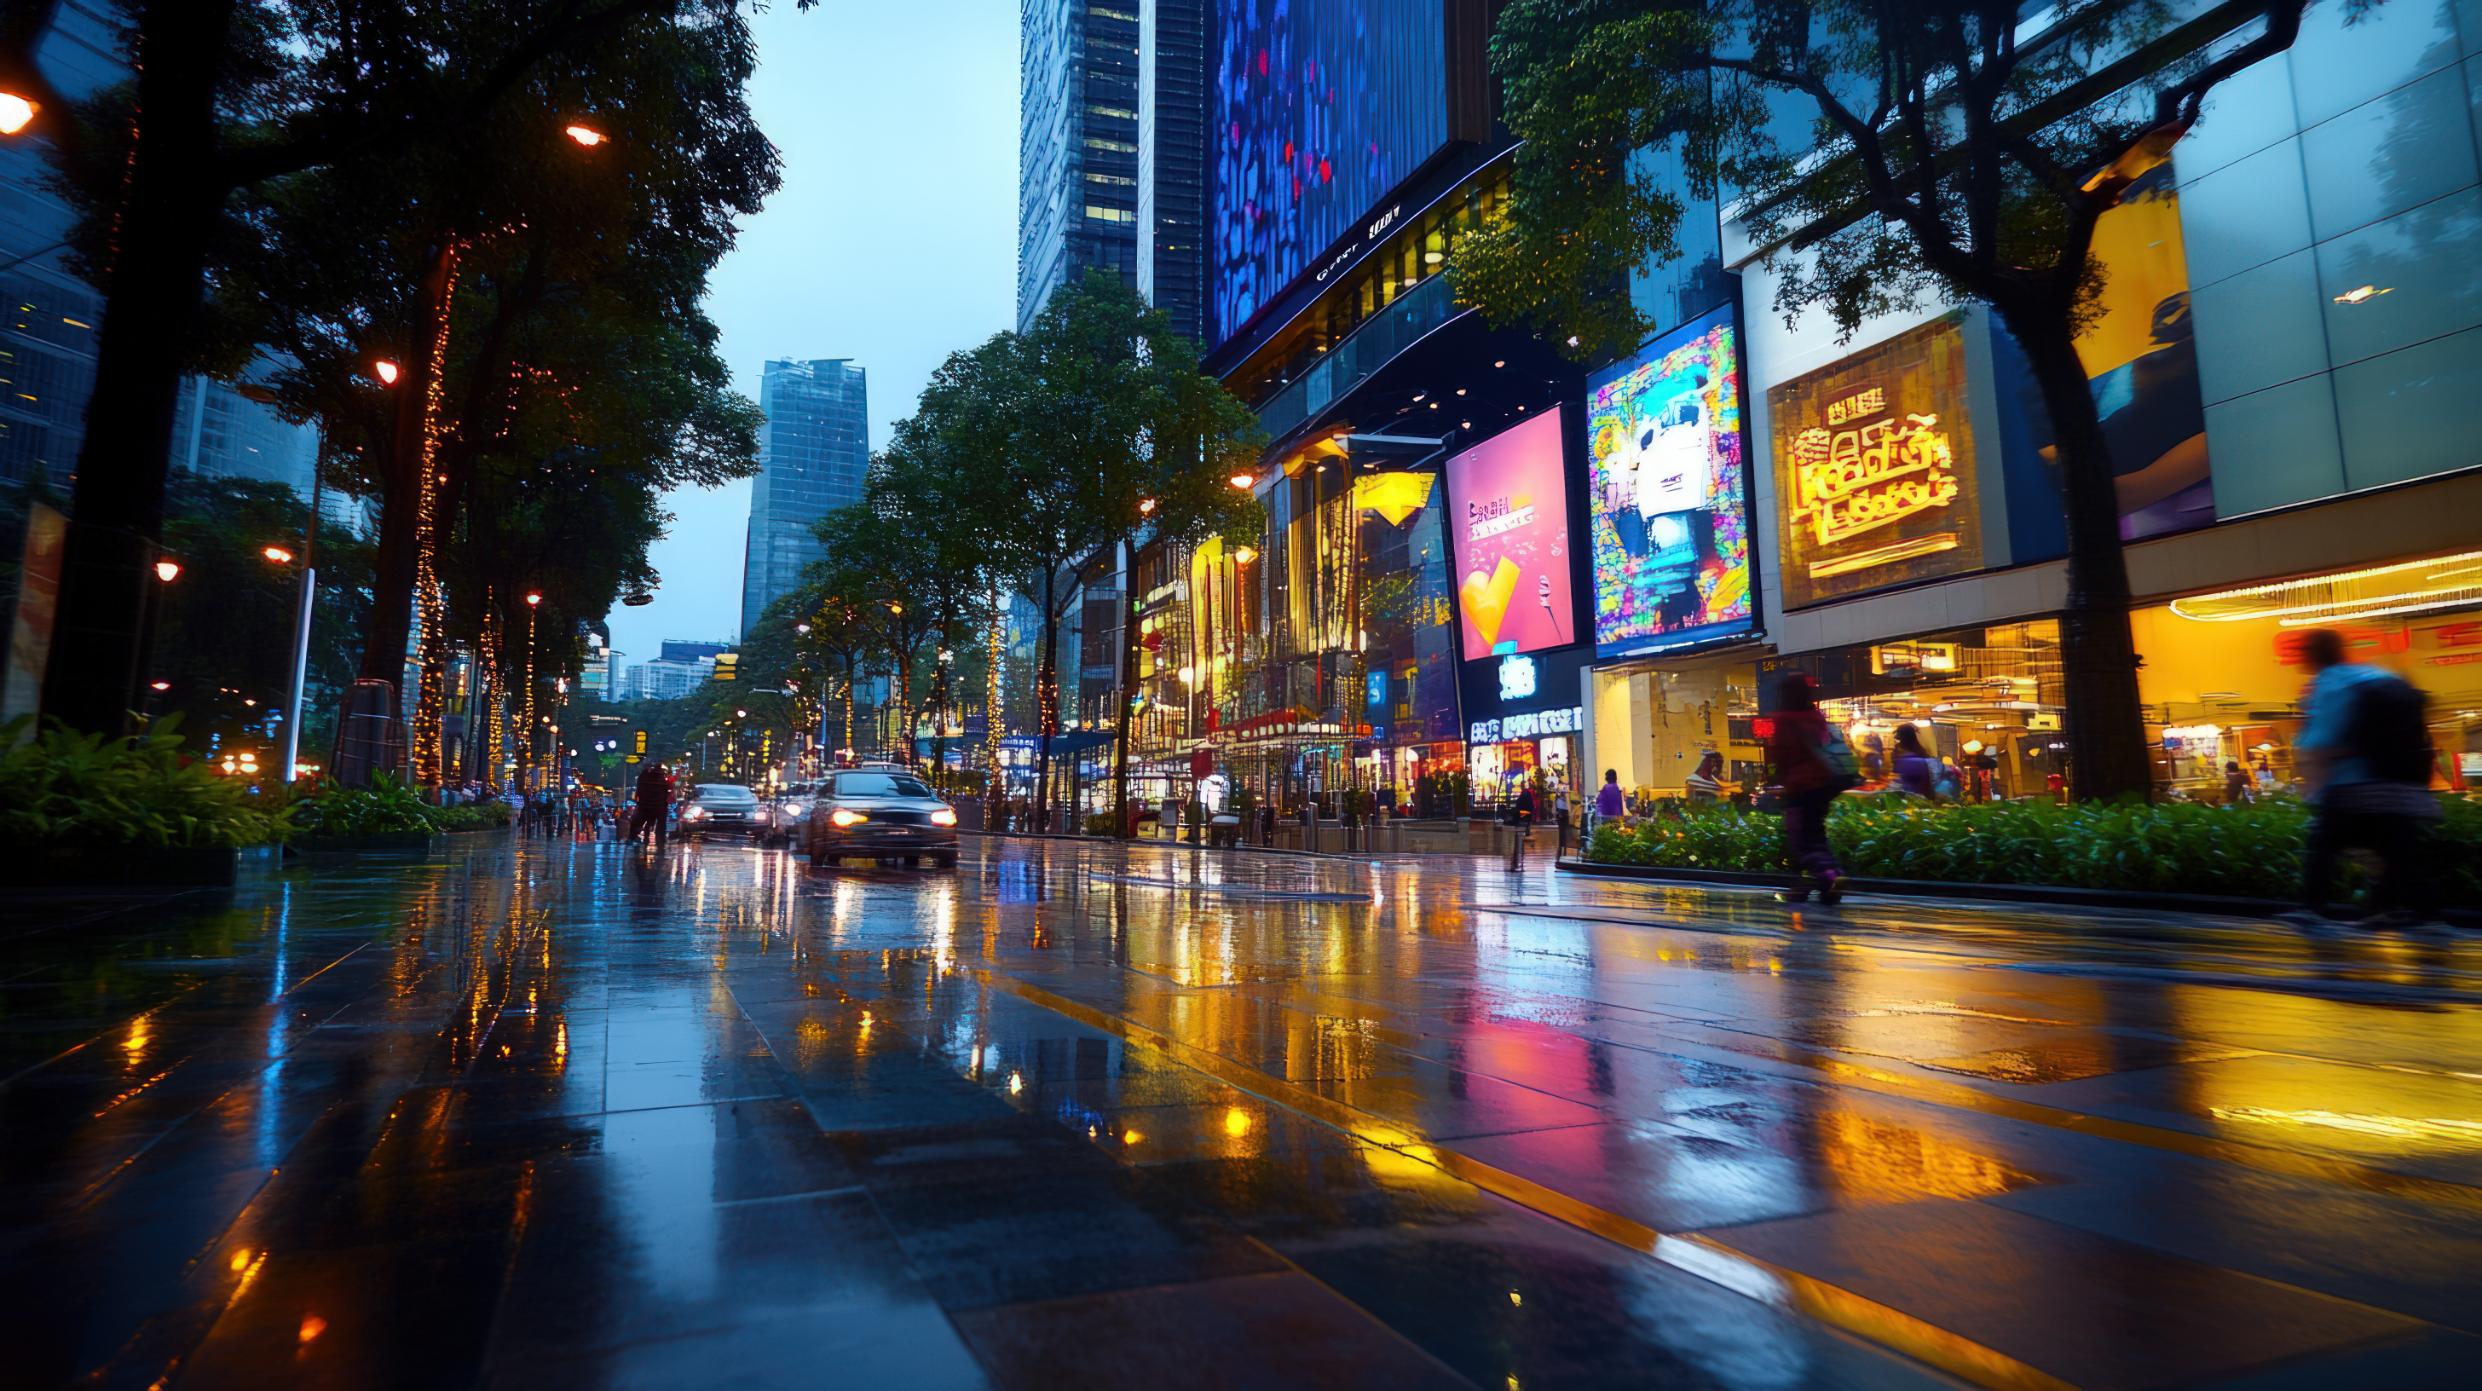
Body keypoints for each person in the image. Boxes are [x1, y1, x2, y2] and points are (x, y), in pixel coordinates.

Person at [2287, 628, 2440, 928]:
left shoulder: (2329, 683)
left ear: (2311, 656)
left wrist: (2313, 790)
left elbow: (2321, 742)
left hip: (2354, 784)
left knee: (2324, 843)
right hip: (2402, 782)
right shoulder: (2374, 674)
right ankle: (2412, 911)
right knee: (2399, 848)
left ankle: (2311, 908)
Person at [1765, 673, 1853, 904]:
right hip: (1824, 783)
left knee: (1799, 837)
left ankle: (1828, 874)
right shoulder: (1815, 716)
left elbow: (1783, 753)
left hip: (1800, 785)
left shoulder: (1785, 719)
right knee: (1816, 834)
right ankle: (1825, 883)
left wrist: (1779, 778)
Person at [629, 759, 673, 849]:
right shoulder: (663, 778)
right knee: (660, 824)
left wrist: (638, 801)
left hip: (646, 804)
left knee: (638, 822)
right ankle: (660, 839)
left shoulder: (644, 776)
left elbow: (639, 790)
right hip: (658, 806)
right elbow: (667, 792)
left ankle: (632, 837)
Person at [1893, 724, 1938, 798]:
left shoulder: (1907, 761)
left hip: (1913, 799)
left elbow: (1902, 783)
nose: (1897, 744)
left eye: (1899, 740)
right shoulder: (1921, 754)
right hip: (1920, 798)